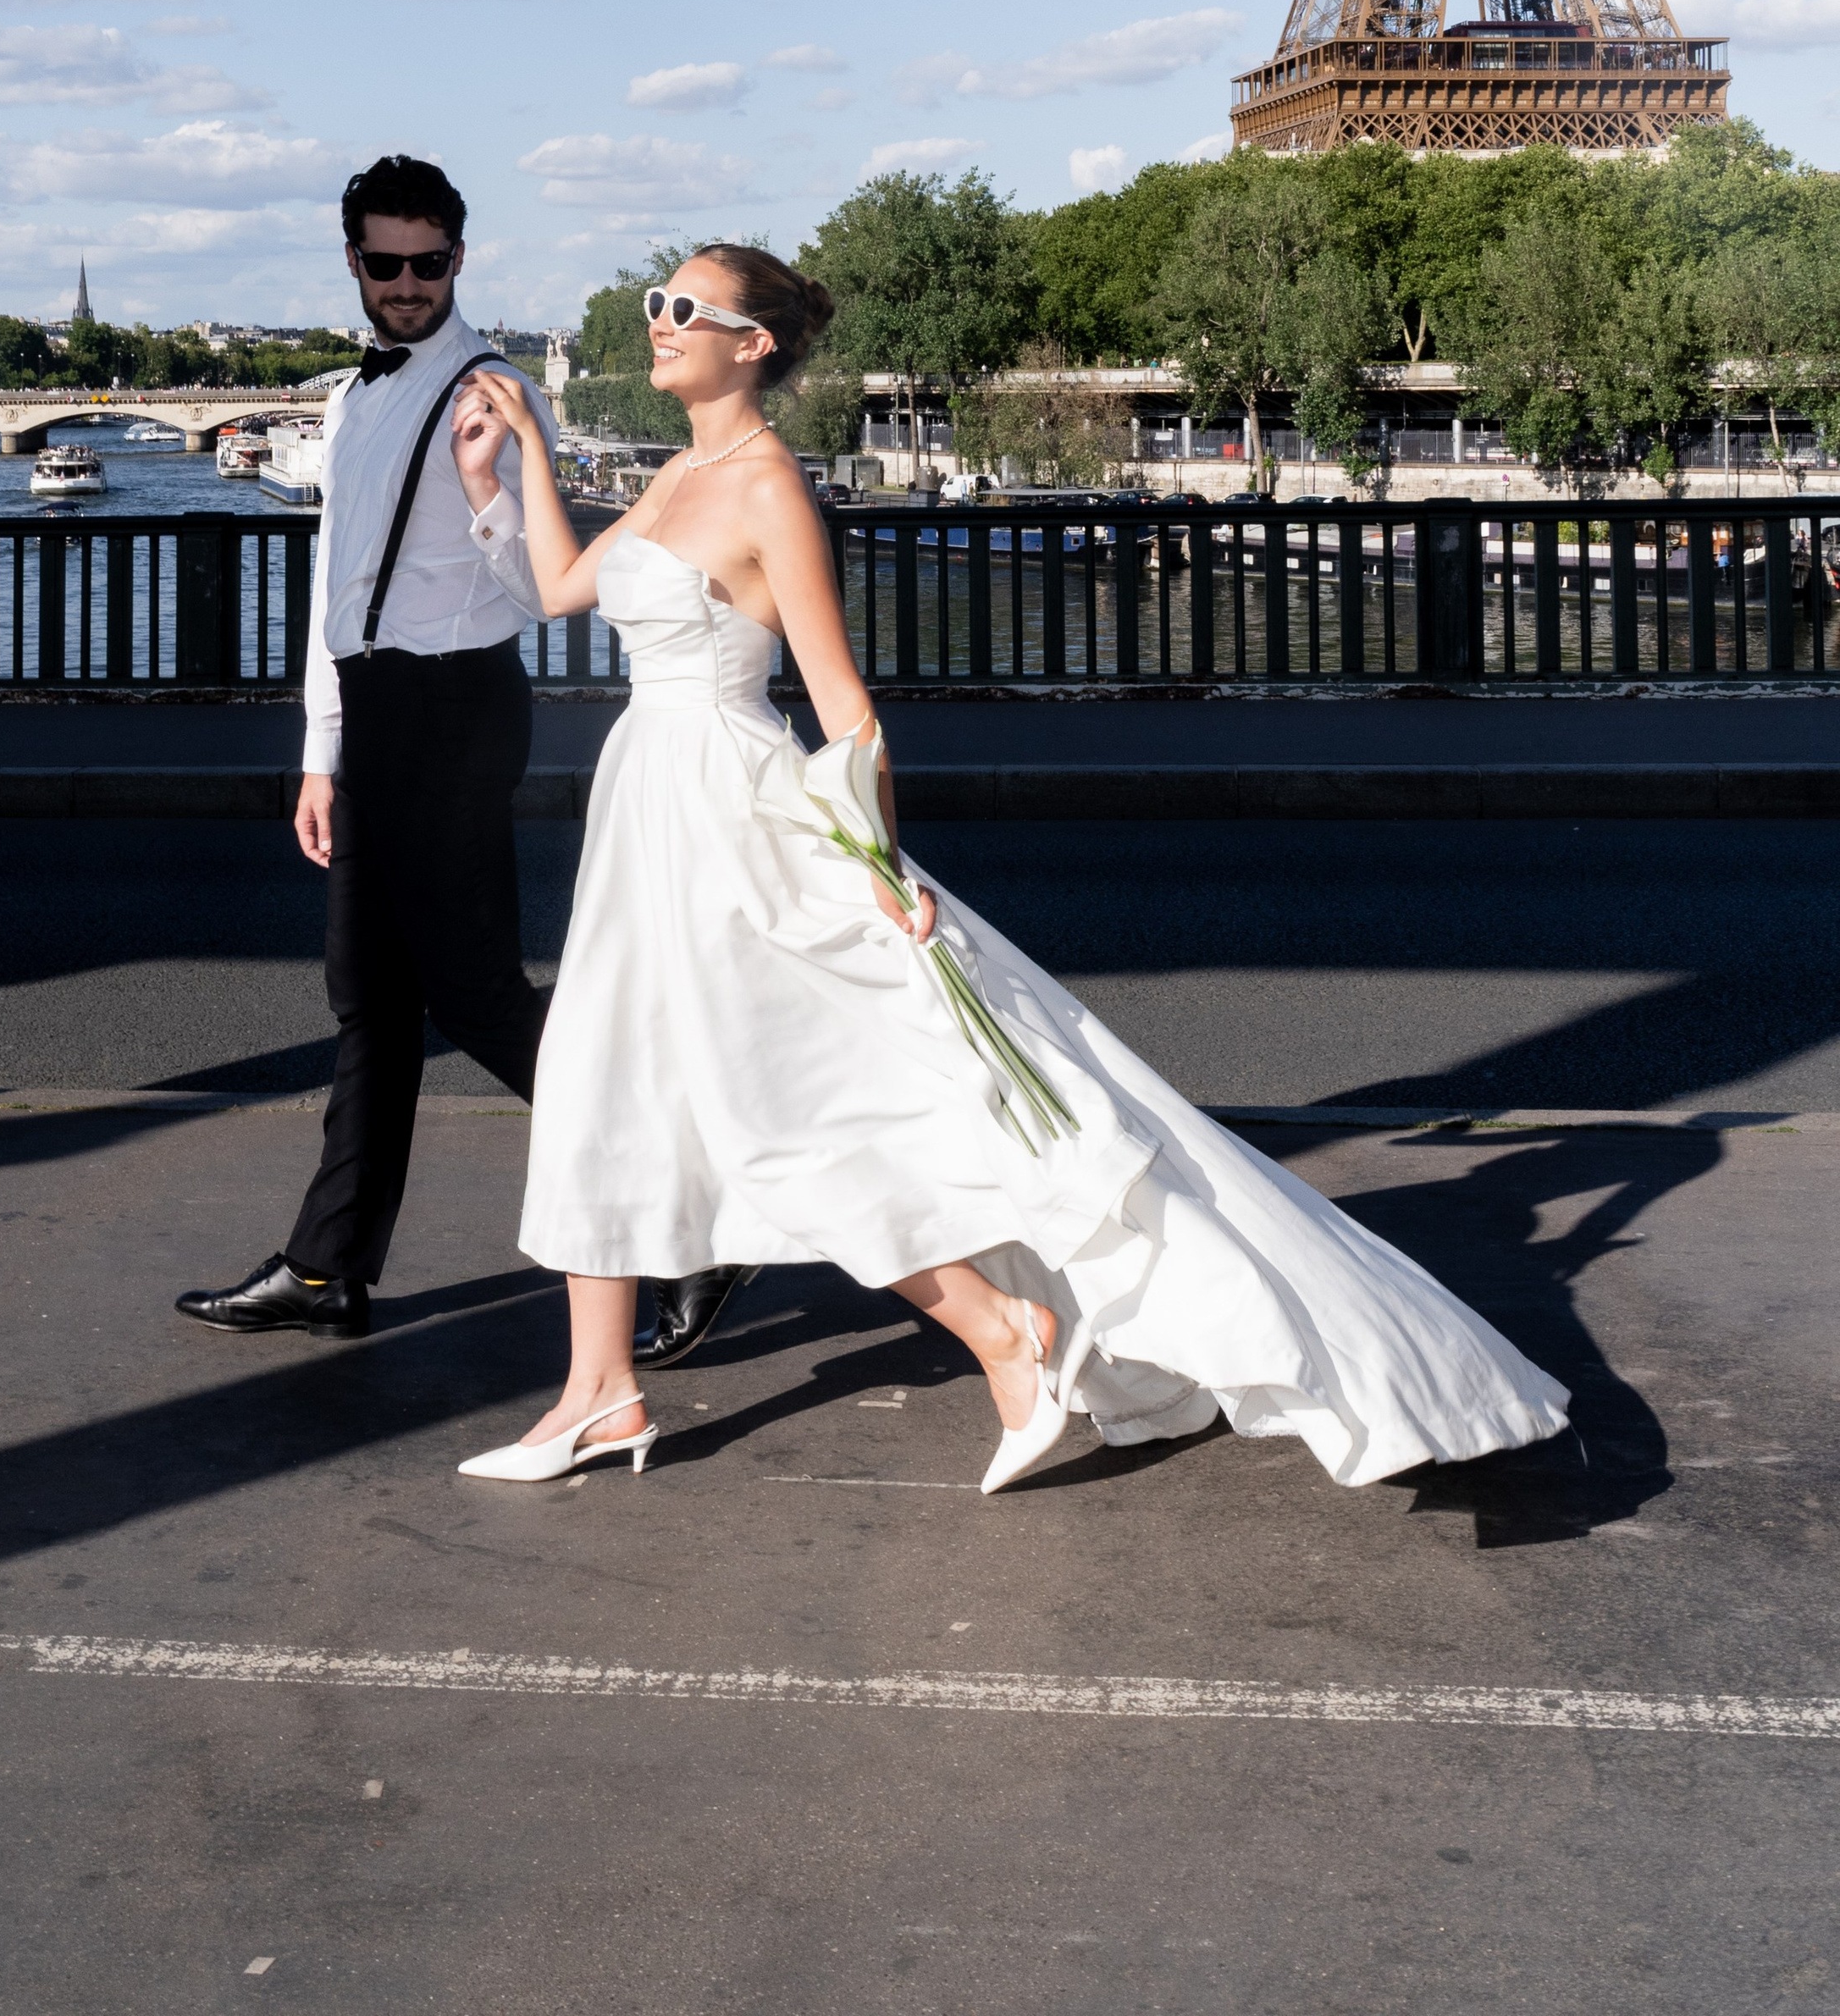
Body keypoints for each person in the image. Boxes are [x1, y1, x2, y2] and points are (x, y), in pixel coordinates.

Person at [444, 246, 1570, 1494]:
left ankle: (999, 1327)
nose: (657, 322)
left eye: (681, 309)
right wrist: (520, 465)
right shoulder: (680, 475)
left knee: (782, 1105)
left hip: (726, 814)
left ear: (752, 343)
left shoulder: (764, 486)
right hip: (647, 804)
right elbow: (557, 588)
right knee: (609, 1076)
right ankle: (602, 1391)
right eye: (658, 302)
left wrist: (876, 862)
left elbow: (843, 705)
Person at [175, 153, 559, 1339]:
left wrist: (486, 482)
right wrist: (318, 752)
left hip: (456, 703)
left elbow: (543, 585)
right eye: (385, 263)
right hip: (378, 708)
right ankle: (327, 1263)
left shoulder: (489, 390)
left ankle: (702, 1217)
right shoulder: (348, 400)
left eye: (428, 262)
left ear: (458, 257)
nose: (406, 284)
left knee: (478, 996)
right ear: (353, 262)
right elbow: (340, 596)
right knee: (371, 999)